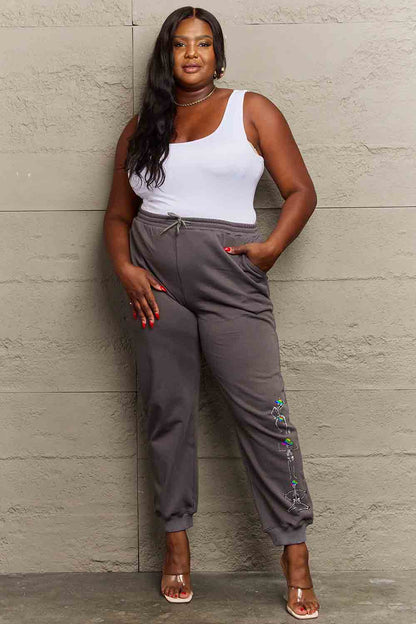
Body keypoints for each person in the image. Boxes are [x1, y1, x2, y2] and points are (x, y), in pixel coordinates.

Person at [103, 5, 320, 620]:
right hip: (155, 286)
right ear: (166, 55)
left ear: (218, 57)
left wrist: (271, 249)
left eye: (203, 44)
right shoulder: (141, 127)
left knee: (267, 416)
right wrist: (125, 269)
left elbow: (301, 191)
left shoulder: (252, 109)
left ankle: (296, 554)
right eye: (180, 44)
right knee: (167, 412)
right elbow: (117, 216)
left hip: (231, 282)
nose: (191, 54)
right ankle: (176, 544)